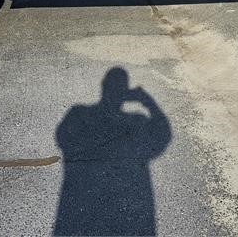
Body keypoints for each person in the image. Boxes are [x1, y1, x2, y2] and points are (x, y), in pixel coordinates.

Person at [54, 67, 171, 236]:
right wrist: (147, 100)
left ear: (102, 86)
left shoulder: (78, 113)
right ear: (125, 93)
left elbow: (62, 138)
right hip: (130, 207)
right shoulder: (137, 120)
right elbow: (162, 138)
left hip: (82, 205)